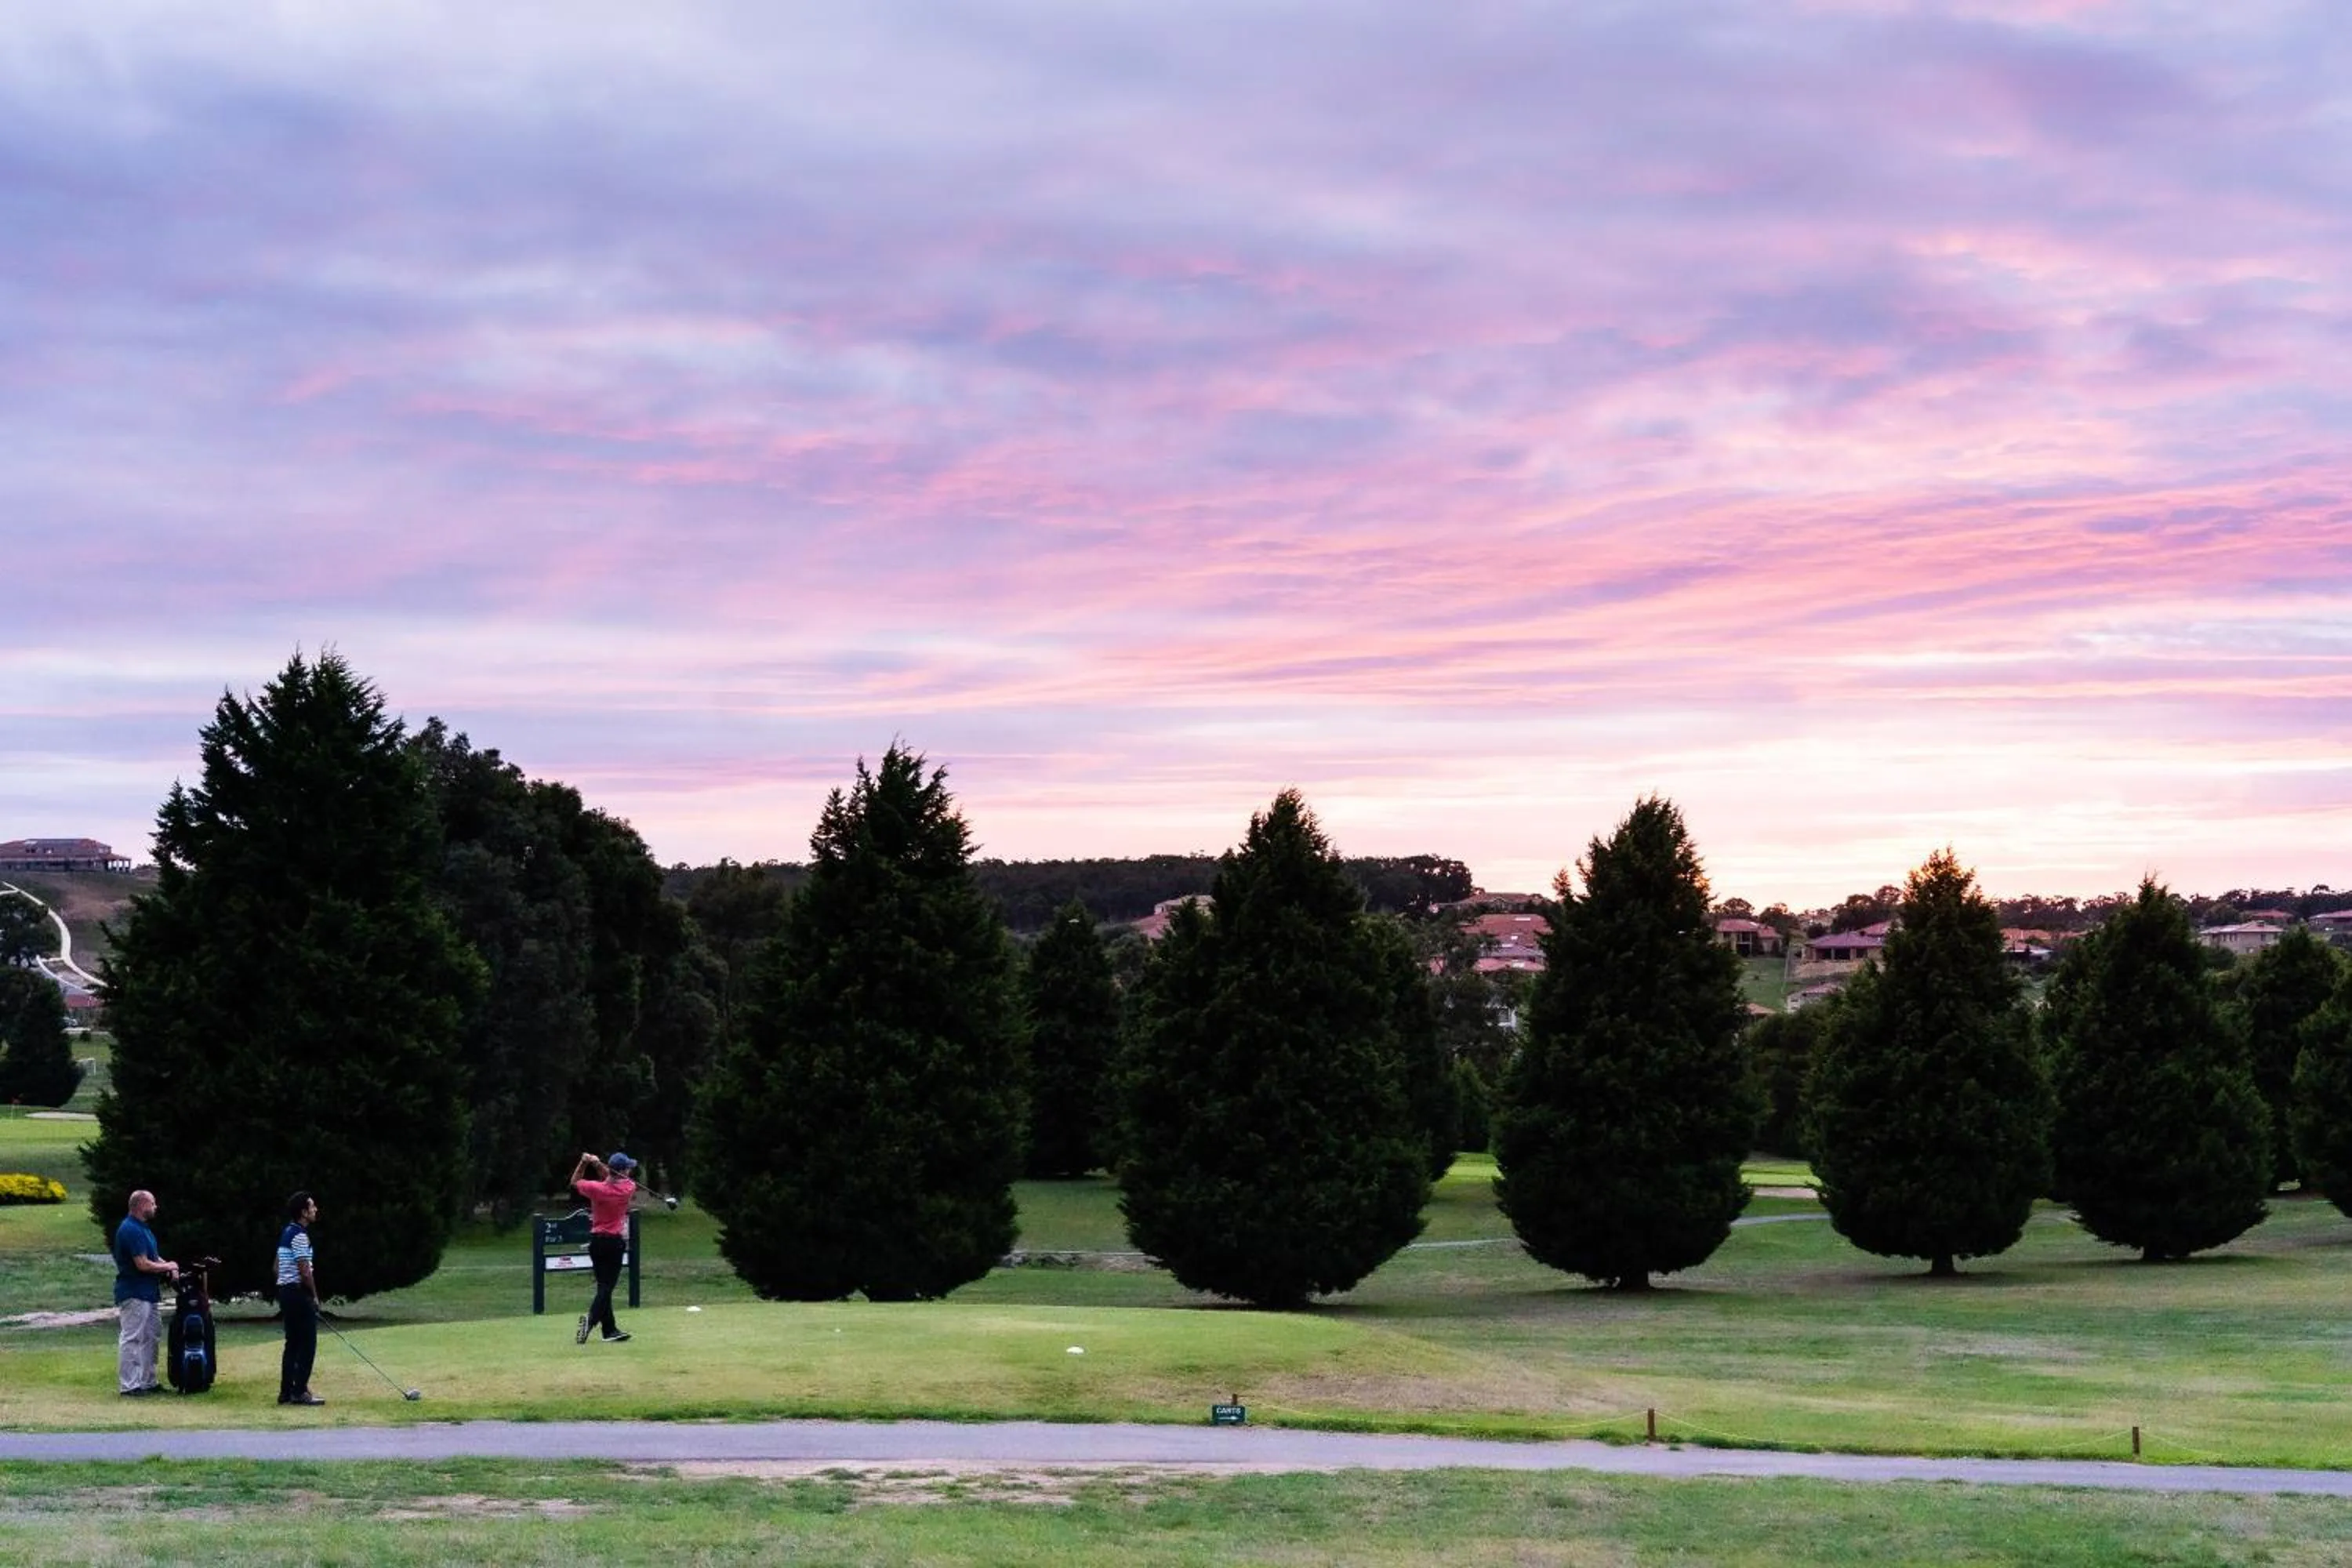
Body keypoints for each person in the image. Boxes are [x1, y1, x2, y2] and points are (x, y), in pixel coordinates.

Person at [111, 1189, 178, 1396]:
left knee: (151, 1336)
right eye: (152, 1203)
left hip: (149, 1293)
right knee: (132, 1337)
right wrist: (168, 1267)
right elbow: (142, 1264)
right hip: (134, 1292)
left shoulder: (143, 1229)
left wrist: (169, 1265)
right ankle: (129, 1385)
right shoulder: (130, 1229)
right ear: (141, 1205)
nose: (156, 1207)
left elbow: (153, 1257)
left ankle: (148, 1381)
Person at [569, 1150, 636, 1345]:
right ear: (623, 1171)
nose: (630, 1171)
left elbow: (575, 1182)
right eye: (628, 1168)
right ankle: (590, 1321)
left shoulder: (596, 1189)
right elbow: (611, 1176)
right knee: (607, 1287)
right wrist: (598, 1164)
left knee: (603, 1286)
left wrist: (585, 1163)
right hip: (614, 1242)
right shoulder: (628, 1188)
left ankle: (609, 1330)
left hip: (596, 1242)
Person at [275, 1191, 324, 1406]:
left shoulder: (287, 1232)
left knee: (293, 1343)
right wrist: (314, 1296)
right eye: (312, 1207)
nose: (315, 1209)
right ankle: (300, 1391)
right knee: (307, 1343)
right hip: (298, 1293)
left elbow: (276, 1267)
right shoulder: (300, 1236)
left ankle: (286, 1392)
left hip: (286, 1292)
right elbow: (305, 1271)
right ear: (304, 1212)